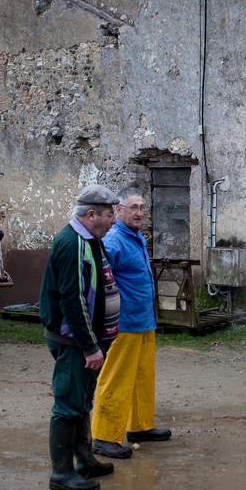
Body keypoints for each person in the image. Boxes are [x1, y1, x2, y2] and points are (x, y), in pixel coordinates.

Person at [39, 184, 121, 490]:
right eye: (109, 215)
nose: (113, 220)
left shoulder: (90, 239)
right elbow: (72, 300)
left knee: (81, 402)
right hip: (74, 342)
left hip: (88, 342)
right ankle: (61, 472)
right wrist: (89, 346)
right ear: (91, 215)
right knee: (67, 404)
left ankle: (85, 460)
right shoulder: (72, 242)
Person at [92, 187, 171, 459]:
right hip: (123, 325)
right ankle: (103, 436)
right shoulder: (114, 241)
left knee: (142, 377)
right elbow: (98, 280)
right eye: (133, 207)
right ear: (119, 211)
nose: (139, 213)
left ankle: (139, 427)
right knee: (116, 378)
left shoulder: (135, 237)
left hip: (143, 322)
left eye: (141, 208)